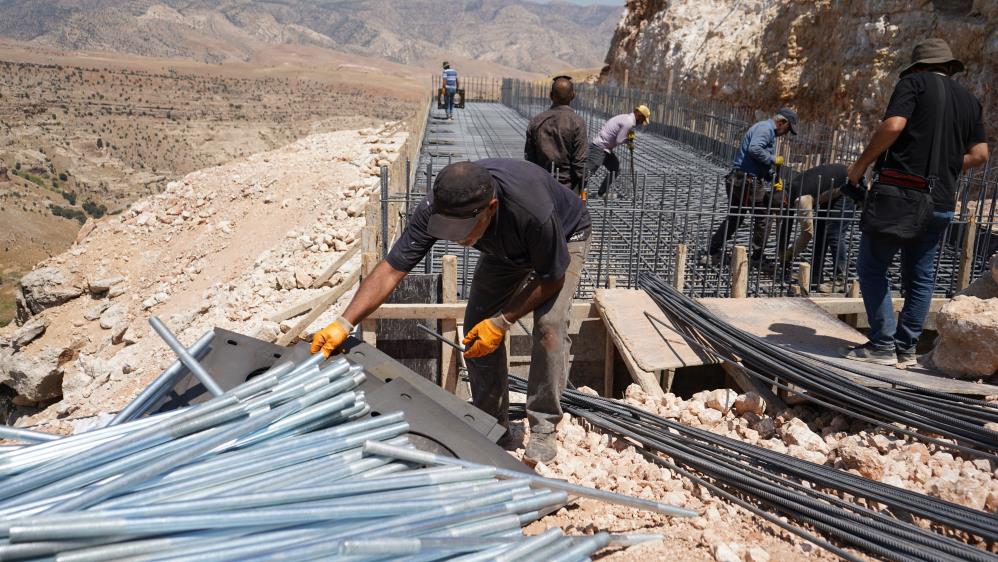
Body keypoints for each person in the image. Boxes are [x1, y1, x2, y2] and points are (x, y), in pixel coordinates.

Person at [311, 159, 592, 464]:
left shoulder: (532, 208)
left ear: (491, 207)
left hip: (563, 238)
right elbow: (392, 268)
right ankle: (492, 423)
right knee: (476, 326)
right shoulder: (439, 204)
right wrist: (344, 322)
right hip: (504, 249)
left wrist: (502, 321)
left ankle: (544, 426)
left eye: (464, 229)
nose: (458, 239)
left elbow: (552, 278)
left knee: (549, 327)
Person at [845, 38, 988, 367]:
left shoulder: (913, 84)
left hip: (900, 197)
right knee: (921, 277)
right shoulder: (969, 100)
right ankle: (905, 348)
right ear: (949, 68)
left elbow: (894, 125)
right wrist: (948, 167)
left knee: (871, 267)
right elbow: (980, 155)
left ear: (919, 67)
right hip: (940, 201)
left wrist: (860, 165)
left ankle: (881, 343)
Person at [702, 108, 798, 266]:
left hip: (738, 178)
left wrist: (770, 177)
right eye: (787, 130)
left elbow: (754, 159)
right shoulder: (766, 130)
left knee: (735, 217)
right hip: (747, 182)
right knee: (764, 218)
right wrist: (772, 159)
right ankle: (756, 256)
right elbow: (754, 149)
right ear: (782, 123)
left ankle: (712, 251)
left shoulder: (762, 127)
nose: (786, 134)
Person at [774, 163, 855, 293]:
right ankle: (816, 276)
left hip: (847, 187)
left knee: (834, 233)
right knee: (821, 233)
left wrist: (791, 253)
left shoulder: (802, 199)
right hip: (828, 192)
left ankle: (840, 279)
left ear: (783, 203)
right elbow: (786, 226)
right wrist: (782, 254)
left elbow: (807, 234)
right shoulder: (787, 191)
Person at [524, 76, 588, 195]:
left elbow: (529, 158)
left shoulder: (536, 121)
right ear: (573, 95)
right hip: (567, 190)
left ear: (550, 95)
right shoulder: (577, 122)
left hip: (541, 187)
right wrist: (582, 186)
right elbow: (580, 162)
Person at [585, 105, 651, 197]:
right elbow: (619, 140)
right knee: (587, 173)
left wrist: (628, 138)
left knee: (615, 168)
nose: (642, 123)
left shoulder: (626, 118)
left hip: (606, 149)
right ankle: (574, 194)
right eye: (643, 120)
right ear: (639, 116)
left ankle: (600, 193)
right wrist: (629, 141)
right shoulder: (629, 122)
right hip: (599, 147)